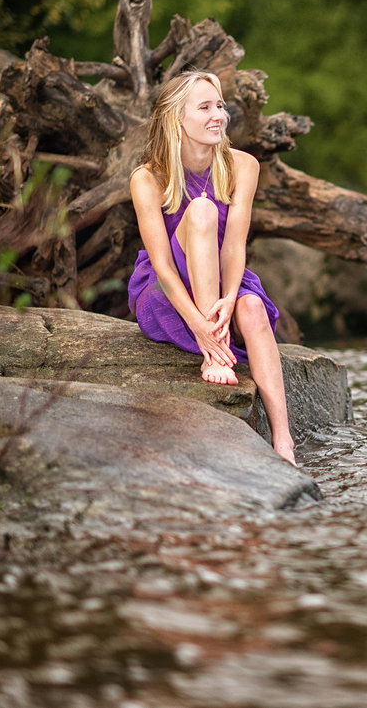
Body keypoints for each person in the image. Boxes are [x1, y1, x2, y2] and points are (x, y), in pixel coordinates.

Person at [127, 70, 296, 465]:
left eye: (219, 105)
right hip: (169, 288)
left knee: (253, 309)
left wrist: (233, 296)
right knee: (200, 209)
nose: (217, 115)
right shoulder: (148, 178)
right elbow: (164, 267)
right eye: (204, 107)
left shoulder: (243, 166)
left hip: (223, 276)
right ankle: (216, 353)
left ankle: (283, 441)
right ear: (176, 119)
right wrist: (204, 329)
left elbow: (235, 246)